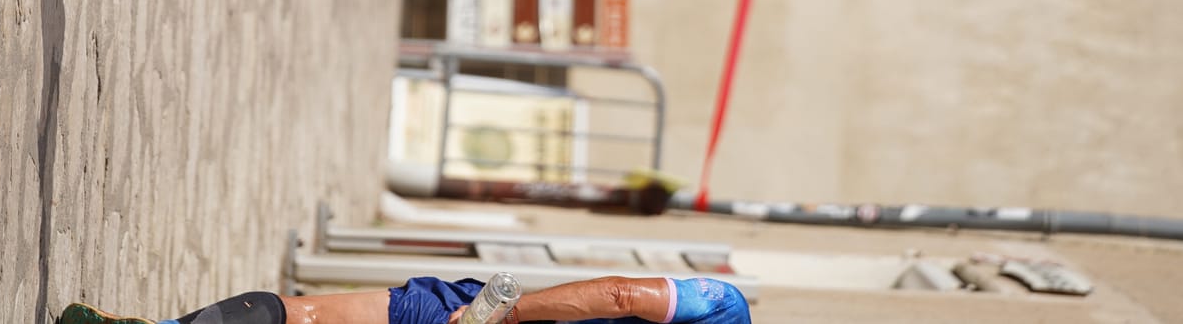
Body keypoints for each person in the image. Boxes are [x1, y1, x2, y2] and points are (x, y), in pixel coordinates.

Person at [58, 271, 751, 324]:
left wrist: (503, 312)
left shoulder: (725, 306)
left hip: (477, 316)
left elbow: (625, 293)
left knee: (307, 315)